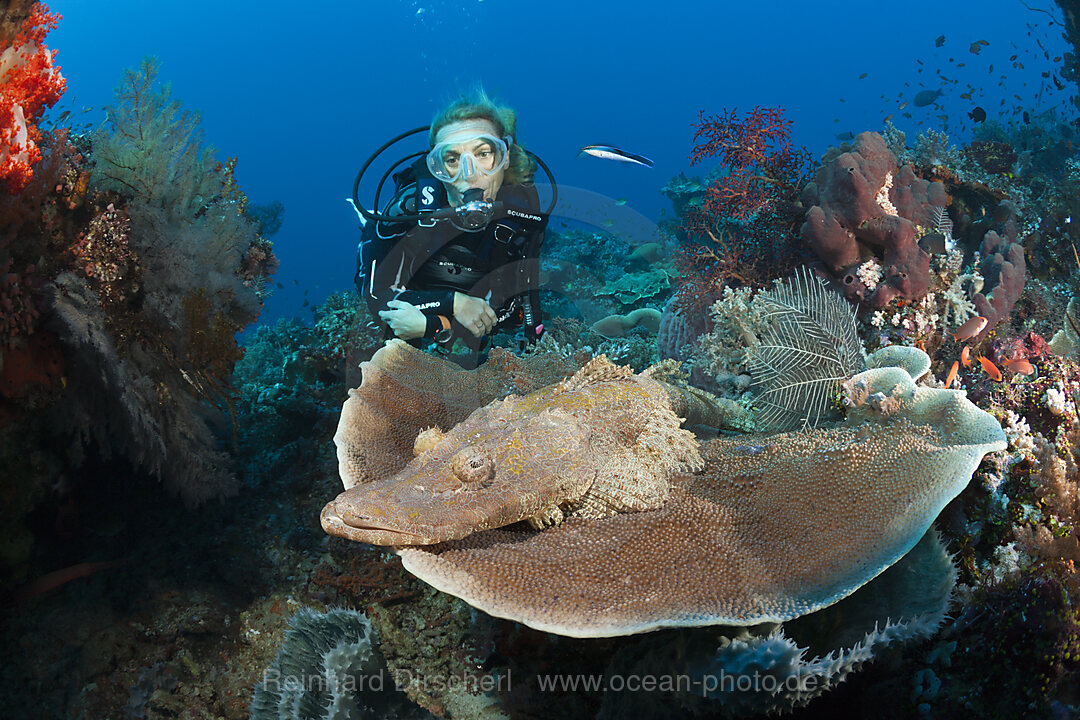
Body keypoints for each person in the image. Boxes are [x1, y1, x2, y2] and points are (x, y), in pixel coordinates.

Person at [354, 92, 547, 367]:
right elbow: (375, 295)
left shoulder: (524, 212)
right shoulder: (408, 210)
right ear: (436, 168)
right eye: (453, 159)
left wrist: (434, 325)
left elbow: (520, 301)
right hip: (420, 298)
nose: (469, 174)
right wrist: (452, 304)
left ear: (504, 158)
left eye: (483, 154)